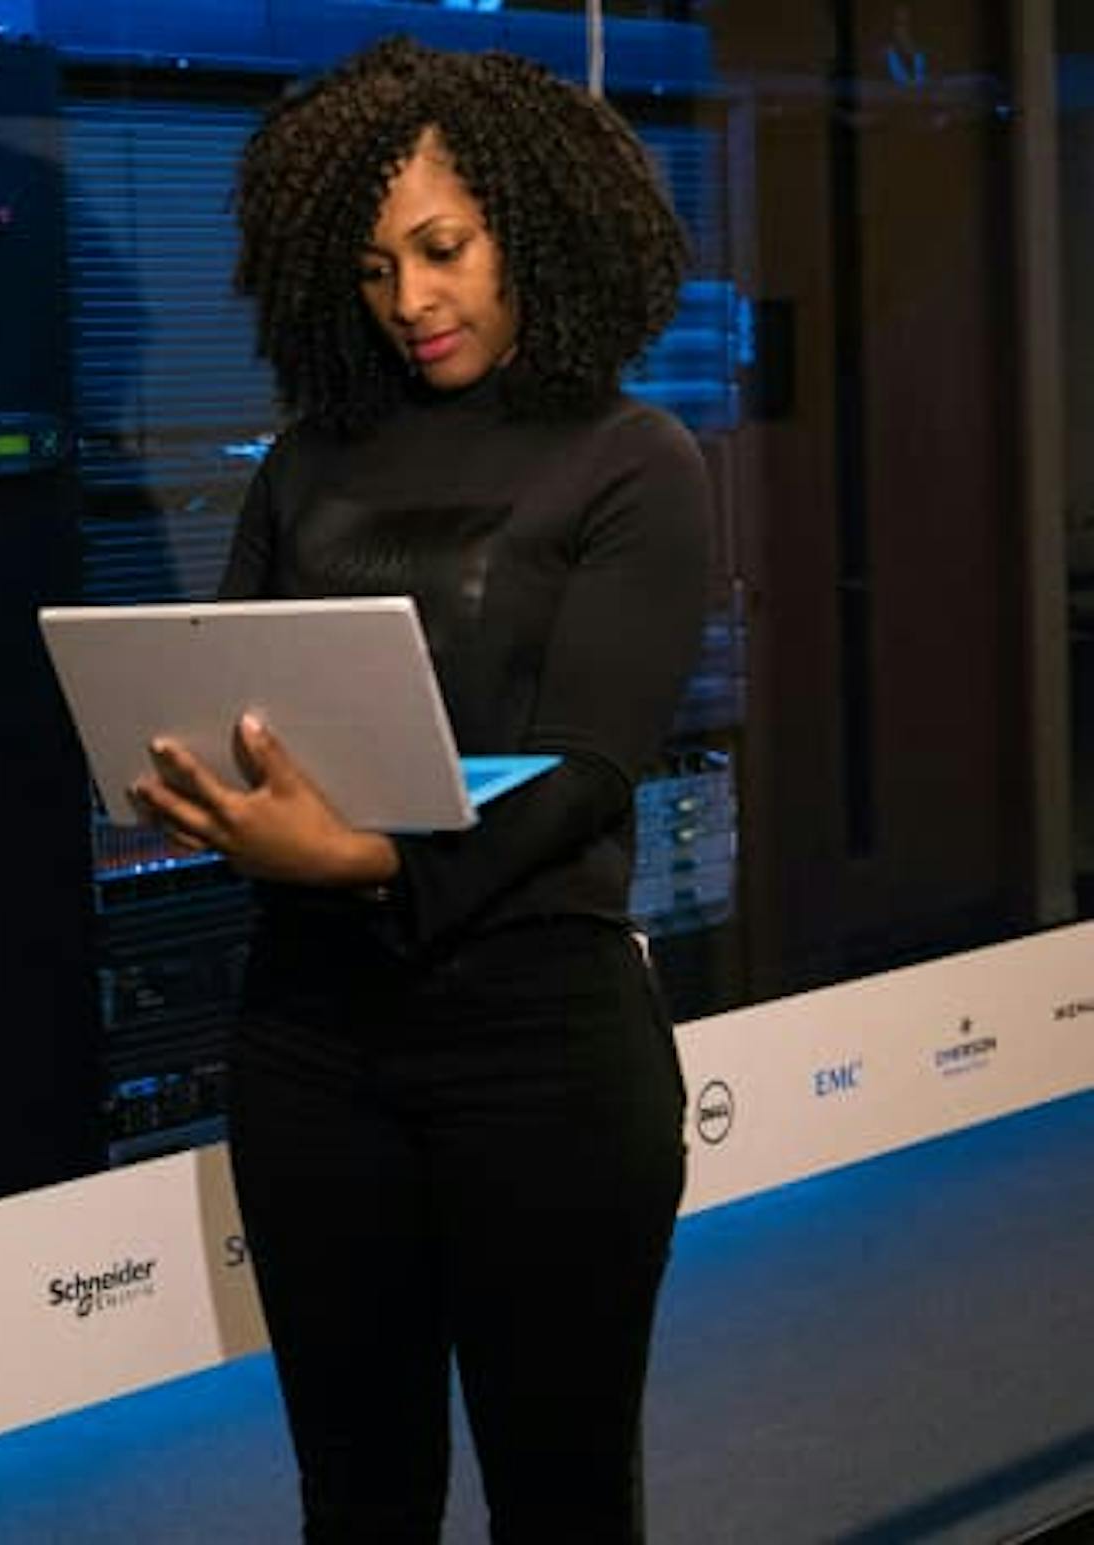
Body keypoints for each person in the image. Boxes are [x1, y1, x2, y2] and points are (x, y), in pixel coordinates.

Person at [124, 37, 712, 1544]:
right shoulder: (309, 461)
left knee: (563, 1498)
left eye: (443, 251)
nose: (413, 301)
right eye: (378, 266)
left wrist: (364, 857)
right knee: (358, 1498)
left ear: (535, 225)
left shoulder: (634, 458)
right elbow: (225, 687)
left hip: (546, 1049)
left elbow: (590, 769)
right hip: (313, 1046)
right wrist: (196, 783)